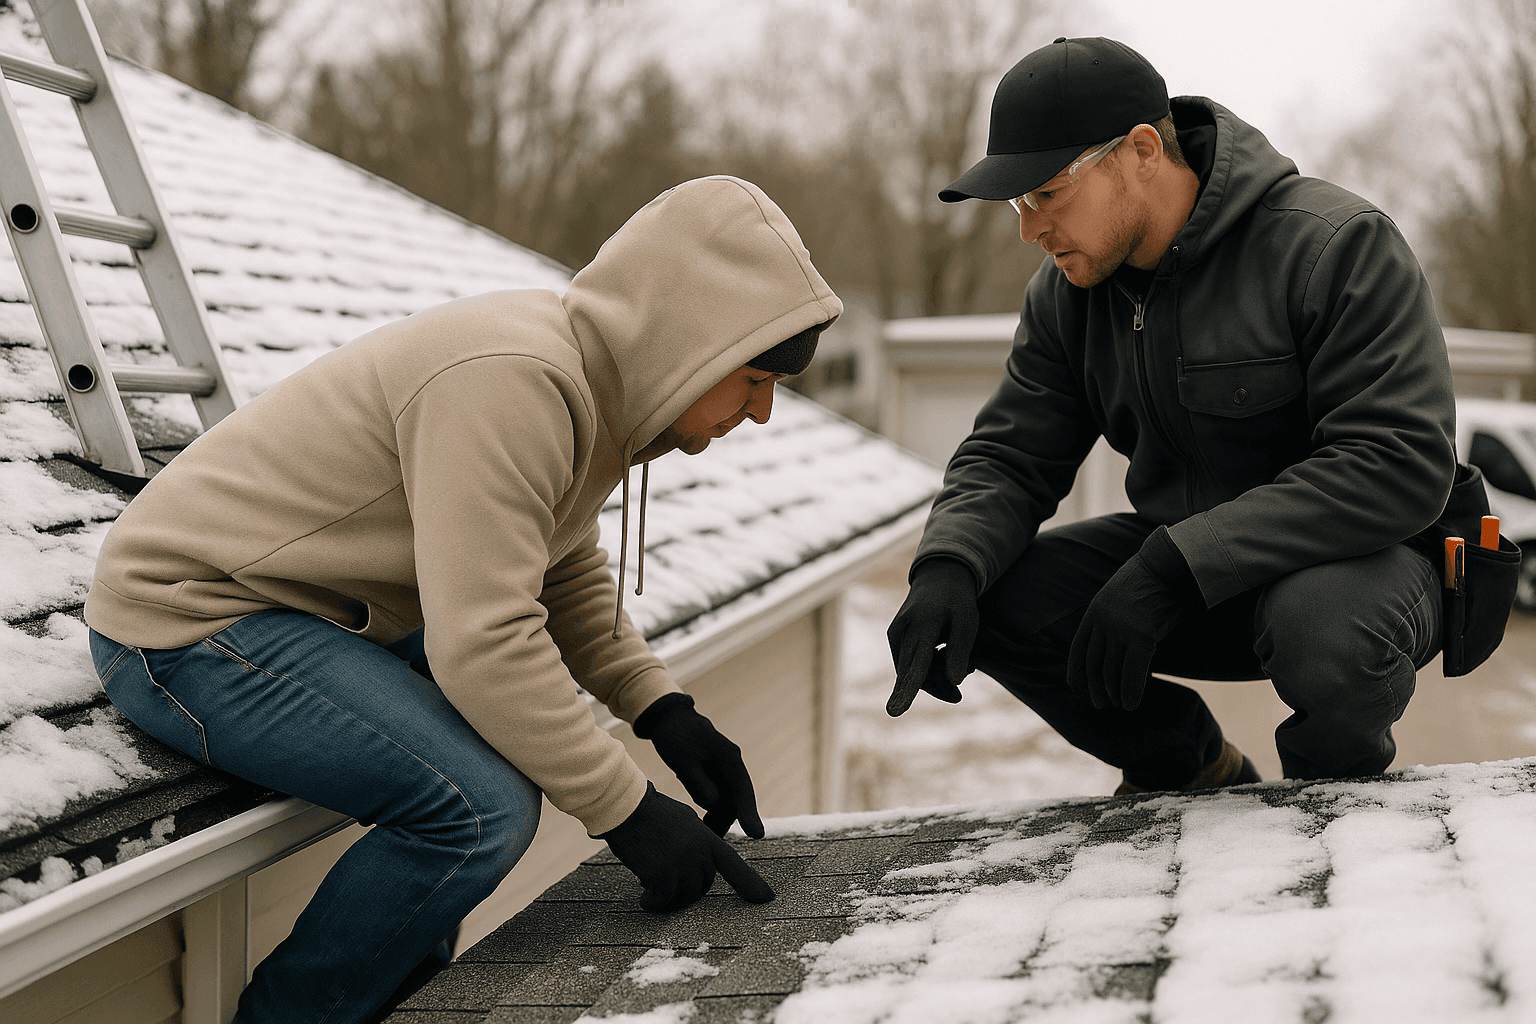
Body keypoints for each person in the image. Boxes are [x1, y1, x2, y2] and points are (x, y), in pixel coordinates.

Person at [84, 175, 842, 1023]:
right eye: (756, 377)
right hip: (191, 618)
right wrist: (630, 813)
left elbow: (560, 571)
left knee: (495, 756)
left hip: (313, 611)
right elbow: (485, 642)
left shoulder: (597, 390)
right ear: (690, 340)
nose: (766, 412)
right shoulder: (511, 379)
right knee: (474, 808)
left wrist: (661, 705)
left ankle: (394, 999)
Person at [886, 37, 1470, 796]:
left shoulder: (1333, 245)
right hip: (1189, 579)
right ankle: (1188, 762)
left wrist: (1175, 565)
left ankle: (1331, 811)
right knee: (992, 593)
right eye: (1017, 204)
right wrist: (947, 566)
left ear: (1139, 152)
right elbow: (1010, 455)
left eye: (1047, 195)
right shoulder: (1069, 294)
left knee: (1322, 626)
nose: (1030, 228)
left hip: (1365, 566)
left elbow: (1396, 463)